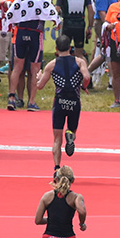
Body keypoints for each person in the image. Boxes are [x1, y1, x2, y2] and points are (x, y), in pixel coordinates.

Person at [35, 36, 89, 169]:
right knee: (72, 131)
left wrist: (40, 77)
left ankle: (57, 168)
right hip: (74, 101)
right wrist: (83, 86)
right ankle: (70, 136)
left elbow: (39, 86)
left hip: (59, 101)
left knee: (57, 139)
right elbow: (87, 76)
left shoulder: (51, 65)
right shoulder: (79, 62)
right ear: (70, 47)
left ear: (56, 48)